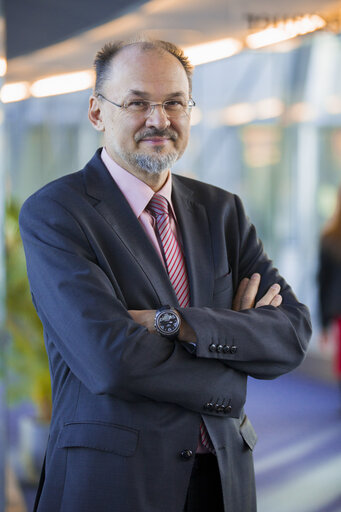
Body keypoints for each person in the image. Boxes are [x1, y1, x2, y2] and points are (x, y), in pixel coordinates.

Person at [19, 39, 311, 512]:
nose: (160, 119)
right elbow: (110, 360)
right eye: (137, 103)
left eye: (174, 102)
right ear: (97, 112)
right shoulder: (56, 213)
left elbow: (292, 334)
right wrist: (231, 375)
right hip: (116, 484)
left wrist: (173, 323)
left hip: (223, 480)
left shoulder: (221, 211)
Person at [318, 186, 341, 396]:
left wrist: (323, 322)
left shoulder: (329, 236)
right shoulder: (329, 237)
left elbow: (323, 281)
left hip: (336, 307)